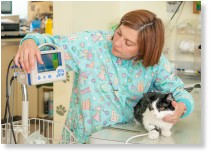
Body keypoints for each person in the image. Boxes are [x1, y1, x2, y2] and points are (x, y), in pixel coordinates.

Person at [14, 9, 194, 144]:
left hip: (125, 138)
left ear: (144, 50)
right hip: (81, 138)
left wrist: (182, 107)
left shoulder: (154, 63)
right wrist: (29, 41)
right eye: (119, 32)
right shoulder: (92, 45)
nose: (116, 42)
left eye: (128, 43)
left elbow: (177, 91)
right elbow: (50, 43)